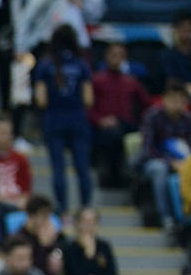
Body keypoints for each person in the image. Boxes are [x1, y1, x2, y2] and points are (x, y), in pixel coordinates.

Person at [32, 25, 94, 212]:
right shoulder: (82, 65)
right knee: (82, 166)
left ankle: (63, 208)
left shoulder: (45, 65)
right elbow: (88, 99)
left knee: (58, 167)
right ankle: (85, 208)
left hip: (54, 119)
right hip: (77, 118)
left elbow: (41, 100)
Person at [91, 42, 149, 187]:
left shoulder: (131, 81)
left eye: (120, 56)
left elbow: (146, 103)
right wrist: (99, 120)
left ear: (125, 58)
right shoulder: (97, 80)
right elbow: (87, 107)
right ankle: (110, 175)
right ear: (106, 57)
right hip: (104, 126)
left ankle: (128, 176)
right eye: (113, 55)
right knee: (112, 135)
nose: (116, 59)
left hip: (127, 124)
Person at [140, 80, 191, 234]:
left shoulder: (188, 120)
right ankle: (166, 217)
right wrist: (171, 162)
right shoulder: (152, 117)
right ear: (164, 99)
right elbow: (148, 150)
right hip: (155, 162)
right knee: (159, 169)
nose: (177, 103)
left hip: (185, 163)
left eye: (181, 100)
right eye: (173, 99)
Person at [63, 208, 119, 275]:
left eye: (93, 222)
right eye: (85, 222)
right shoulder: (70, 247)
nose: (89, 226)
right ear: (77, 224)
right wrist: (89, 255)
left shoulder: (104, 246)